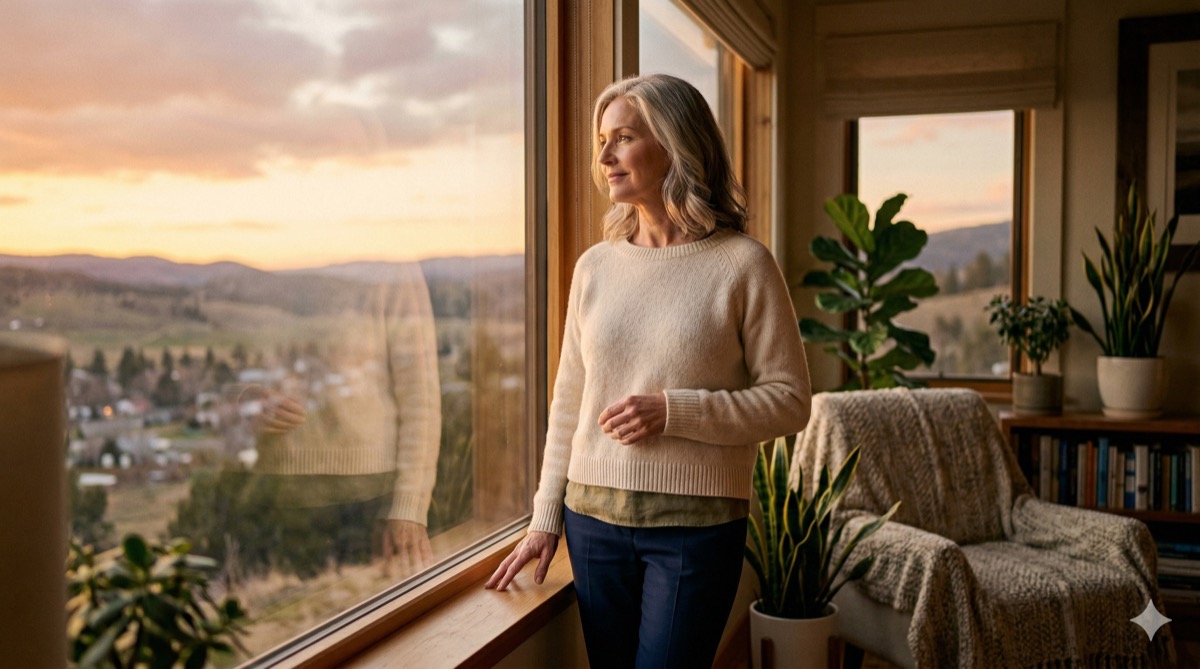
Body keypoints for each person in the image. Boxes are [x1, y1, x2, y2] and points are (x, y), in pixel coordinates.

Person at [485, 73, 811, 669]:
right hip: (593, 523)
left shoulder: (743, 264)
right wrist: (544, 518)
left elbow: (790, 401)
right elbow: (569, 403)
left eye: (624, 138)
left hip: (697, 526)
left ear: (674, 145)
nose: (605, 157)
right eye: (601, 141)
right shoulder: (595, 267)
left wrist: (674, 411)